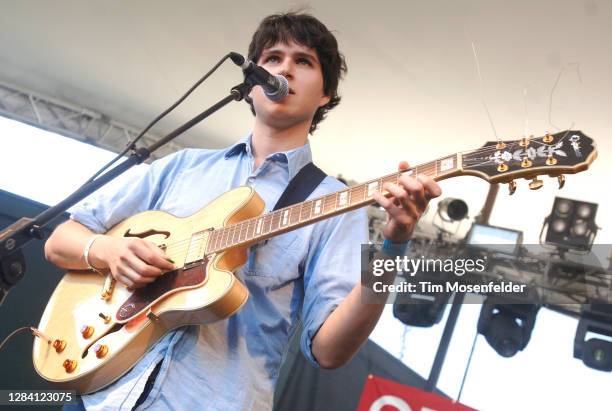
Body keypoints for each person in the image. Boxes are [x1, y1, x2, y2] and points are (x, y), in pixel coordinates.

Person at [45, 12, 441, 411]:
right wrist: (109, 251)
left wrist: (394, 246)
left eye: (304, 61)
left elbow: (329, 350)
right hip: (102, 392)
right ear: (253, 83)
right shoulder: (183, 165)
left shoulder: (336, 205)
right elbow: (61, 240)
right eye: (272, 58)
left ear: (325, 95)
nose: (285, 67)